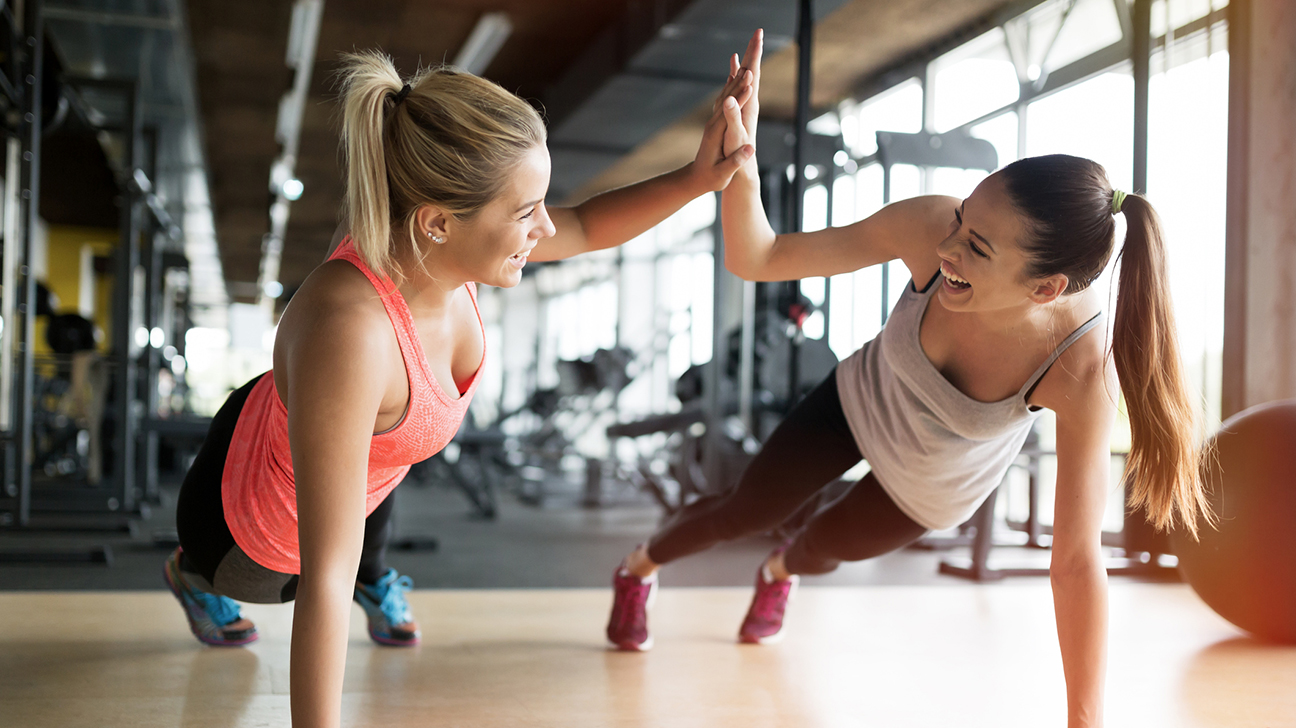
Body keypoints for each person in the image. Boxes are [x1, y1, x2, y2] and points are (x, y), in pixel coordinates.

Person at [606, 31, 1211, 728]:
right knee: (747, 509)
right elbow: (760, 255)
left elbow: (1076, 563)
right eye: (962, 221)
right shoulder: (929, 228)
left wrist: (1086, 720)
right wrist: (739, 160)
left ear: (1045, 290)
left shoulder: (1079, 369)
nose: (948, 247)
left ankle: (779, 574)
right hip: (858, 402)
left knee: (818, 549)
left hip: (932, 486)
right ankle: (639, 567)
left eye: (976, 249)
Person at [165, 46, 757, 727]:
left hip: (352, 444)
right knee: (310, 569)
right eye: (527, 210)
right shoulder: (352, 332)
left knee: (372, 496)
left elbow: (589, 225)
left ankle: (367, 553)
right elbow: (324, 582)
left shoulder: (444, 247)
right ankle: (188, 575)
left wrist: (699, 178)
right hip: (246, 530)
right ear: (437, 221)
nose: (547, 227)